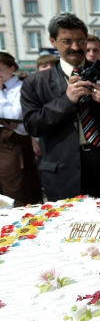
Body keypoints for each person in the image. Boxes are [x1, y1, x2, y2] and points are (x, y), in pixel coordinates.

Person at [21, 12, 100, 203]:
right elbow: (32, 125)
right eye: (67, 41)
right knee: (69, 229)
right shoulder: (35, 82)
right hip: (63, 171)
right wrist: (66, 101)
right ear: (53, 41)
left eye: (80, 41)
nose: (75, 47)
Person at [0, 52, 42, 206]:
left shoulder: (21, 87)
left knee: (17, 187)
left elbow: (12, 115)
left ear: (11, 68)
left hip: (13, 141)